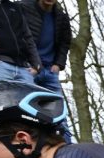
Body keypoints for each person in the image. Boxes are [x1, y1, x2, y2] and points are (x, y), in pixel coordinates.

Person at [20, 0, 72, 143]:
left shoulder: (61, 16)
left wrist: (58, 64)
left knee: (58, 112)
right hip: (28, 69)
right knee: (26, 111)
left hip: (50, 71)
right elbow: (18, 36)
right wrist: (30, 63)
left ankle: (67, 148)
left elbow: (65, 42)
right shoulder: (23, 8)